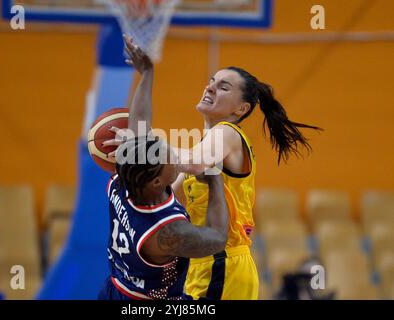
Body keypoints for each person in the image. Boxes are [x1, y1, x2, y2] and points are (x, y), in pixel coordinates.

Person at [106, 39, 322, 300]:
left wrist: (141, 150)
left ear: (241, 109)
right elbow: (164, 194)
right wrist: (134, 163)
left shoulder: (227, 134)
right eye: (211, 80)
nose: (210, 87)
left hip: (225, 264)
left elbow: (192, 163)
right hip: (200, 263)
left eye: (223, 87)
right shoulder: (203, 151)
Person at [97, 36, 229, 300]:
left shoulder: (123, 179)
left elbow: (139, 127)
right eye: (169, 158)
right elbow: (216, 238)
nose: (174, 157)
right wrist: (214, 180)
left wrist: (147, 73)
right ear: (157, 182)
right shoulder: (166, 232)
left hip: (115, 288)